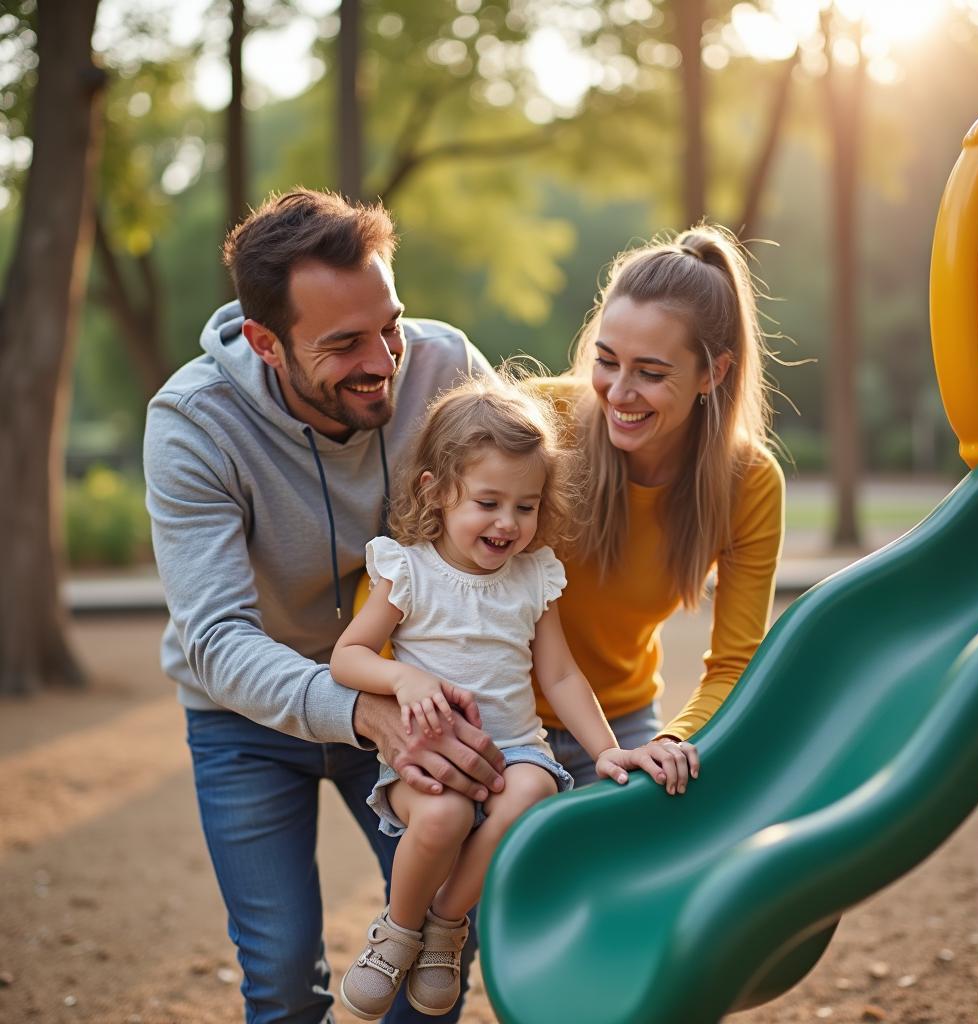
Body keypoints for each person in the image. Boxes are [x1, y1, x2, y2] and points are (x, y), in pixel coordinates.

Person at [143, 189, 509, 1024]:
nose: (383, 359)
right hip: (245, 723)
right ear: (266, 342)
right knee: (279, 976)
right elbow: (216, 638)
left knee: (438, 938)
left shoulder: (445, 366)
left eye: (390, 324)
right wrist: (359, 709)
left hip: (404, 696)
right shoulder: (193, 422)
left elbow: (527, 505)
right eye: (343, 344)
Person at [329, 377, 697, 1020]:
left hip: (515, 753)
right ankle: (397, 931)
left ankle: (446, 927)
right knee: (440, 820)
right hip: (429, 758)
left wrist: (609, 752)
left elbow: (559, 677)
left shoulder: (534, 575)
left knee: (536, 790)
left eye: (525, 507)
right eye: (489, 502)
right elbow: (347, 657)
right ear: (436, 492)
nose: (508, 523)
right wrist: (403, 679)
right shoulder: (407, 570)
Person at [536, 225, 785, 783]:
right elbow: (421, 557)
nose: (619, 392)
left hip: (621, 722)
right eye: (606, 360)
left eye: (649, 373)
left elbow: (735, 664)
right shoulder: (538, 424)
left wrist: (673, 742)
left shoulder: (748, 483)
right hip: (499, 715)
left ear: (712, 373)